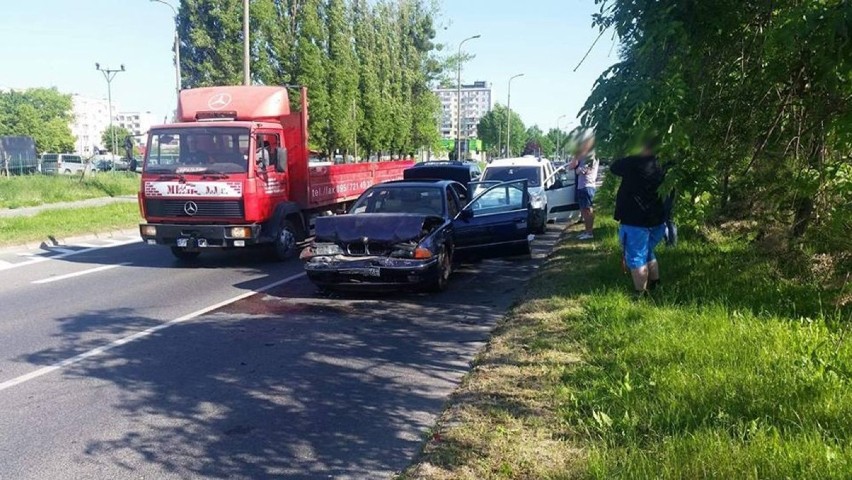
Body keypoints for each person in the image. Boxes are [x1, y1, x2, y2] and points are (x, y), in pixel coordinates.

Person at [610, 136, 667, 299]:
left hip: (635, 221)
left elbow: (614, 167)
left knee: (636, 257)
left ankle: (640, 294)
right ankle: (656, 284)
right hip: (657, 219)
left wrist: (625, 152)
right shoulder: (661, 163)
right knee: (648, 251)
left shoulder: (632, 162)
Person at [568, 132, 599, 240]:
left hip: (587, 186)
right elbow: (571, 166)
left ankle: (589, 232)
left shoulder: (591, 155)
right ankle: (586, 231)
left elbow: (583, 170)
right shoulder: (583, 155)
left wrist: (578, 170)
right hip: (582, 186)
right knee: (583, 210)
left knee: (587, 209)